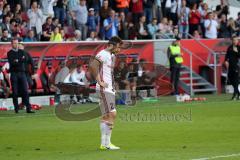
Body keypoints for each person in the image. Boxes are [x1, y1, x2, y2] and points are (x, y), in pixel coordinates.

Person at [89, 36, 123, 150]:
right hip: (104, 89)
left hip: (109, 89)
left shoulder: (111, 55)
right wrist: (100, 81)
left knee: (106, 115)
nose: (119, 50)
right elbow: (93, 66)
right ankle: (107, 144)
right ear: (112, 45)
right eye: (118, 47)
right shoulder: (103, 53)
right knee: (112, 114)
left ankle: (104, 144)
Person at [7, 38, 34, 113]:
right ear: (11, 44)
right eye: (14, 43)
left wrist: (17, 61)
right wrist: (19, 60)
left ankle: (28, 108)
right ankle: (16, 108)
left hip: (22, 73)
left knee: (25, 91)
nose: (16, 44)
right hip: (14, 74)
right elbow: (12, 63)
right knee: (15, 92)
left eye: (17, 43)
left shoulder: (22, 52)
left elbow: (24, 60)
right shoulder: (9, 53)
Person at [225, 36, 240, 100]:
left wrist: (237, 52)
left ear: (238, 41)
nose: (234, 41)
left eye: (236, 40)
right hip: (230, 66)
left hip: (236, 66)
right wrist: (225, 61)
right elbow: (227, 55)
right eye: (233, 40)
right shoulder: (229, 47)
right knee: (231, 80)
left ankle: (234, 95)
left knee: (236, 80)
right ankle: (238, 93)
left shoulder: (239, 48)